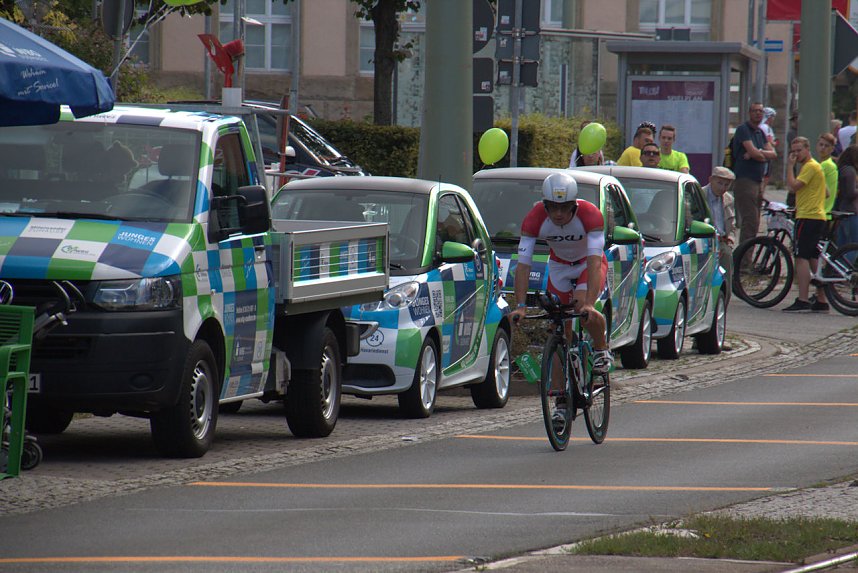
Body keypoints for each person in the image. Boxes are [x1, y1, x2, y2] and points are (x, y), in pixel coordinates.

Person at [508, 172, 613, 376]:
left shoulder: (590, 215)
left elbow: (594, 262)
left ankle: (601, 349)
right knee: (557, 326)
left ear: (574, 205)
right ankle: (558, 393)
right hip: (559, 266)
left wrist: (590, 303)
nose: (558, 214)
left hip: (587, 263)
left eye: (564, 207)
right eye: (552, 207)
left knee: (582, 308)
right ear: (544, 205)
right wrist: (520, 306)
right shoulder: (534, 219)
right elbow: (523, 266)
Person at [784, 137, 829, 313]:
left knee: (801, 256)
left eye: (799, 150)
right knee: (812, 257)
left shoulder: (810, 166)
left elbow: (793, 186)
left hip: (807, 216)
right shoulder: (815, 167)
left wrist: (789, 166)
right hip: (817, 216)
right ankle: (822, 299)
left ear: (807, 149)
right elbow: (826, 192)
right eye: (793, 151)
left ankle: (802, 298)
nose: (796, 154)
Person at [732, 102, 777, 246]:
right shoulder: (743, 129)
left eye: (760, 111)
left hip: (758, 181)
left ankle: (747, 256)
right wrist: (758, 154)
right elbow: (754, 153)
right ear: (749, 113)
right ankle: (743, 258)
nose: (758, 113)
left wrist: (759, 153)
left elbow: (773, 154)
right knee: (750, 221)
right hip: (745, 180)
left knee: (756, 222)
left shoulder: (760, 132)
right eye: (755, 111)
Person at [703, 166, 736, 305]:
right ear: (711, 180)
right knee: (705, 280)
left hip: (722, 242)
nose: (723, 187)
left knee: (726, 280)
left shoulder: (728, 199)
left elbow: (732, 224)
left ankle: (722, 309)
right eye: (720, 183)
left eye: (726, 185)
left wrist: (731, 238)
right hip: (704, 241)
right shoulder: (700, 195)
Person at [834, 144, 858, 247]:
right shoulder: (850, 171)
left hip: (842, 211)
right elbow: (850, 193)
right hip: (850, 212)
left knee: (842, 246)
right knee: (853, 245)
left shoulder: (842, 169)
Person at [816, 133, 838, 216]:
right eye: (821, 145)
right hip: (825, 211)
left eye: (826, 146)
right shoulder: (830, 164)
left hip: (820, 211)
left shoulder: (826, 165)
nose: (823, 148)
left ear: (832, 149)